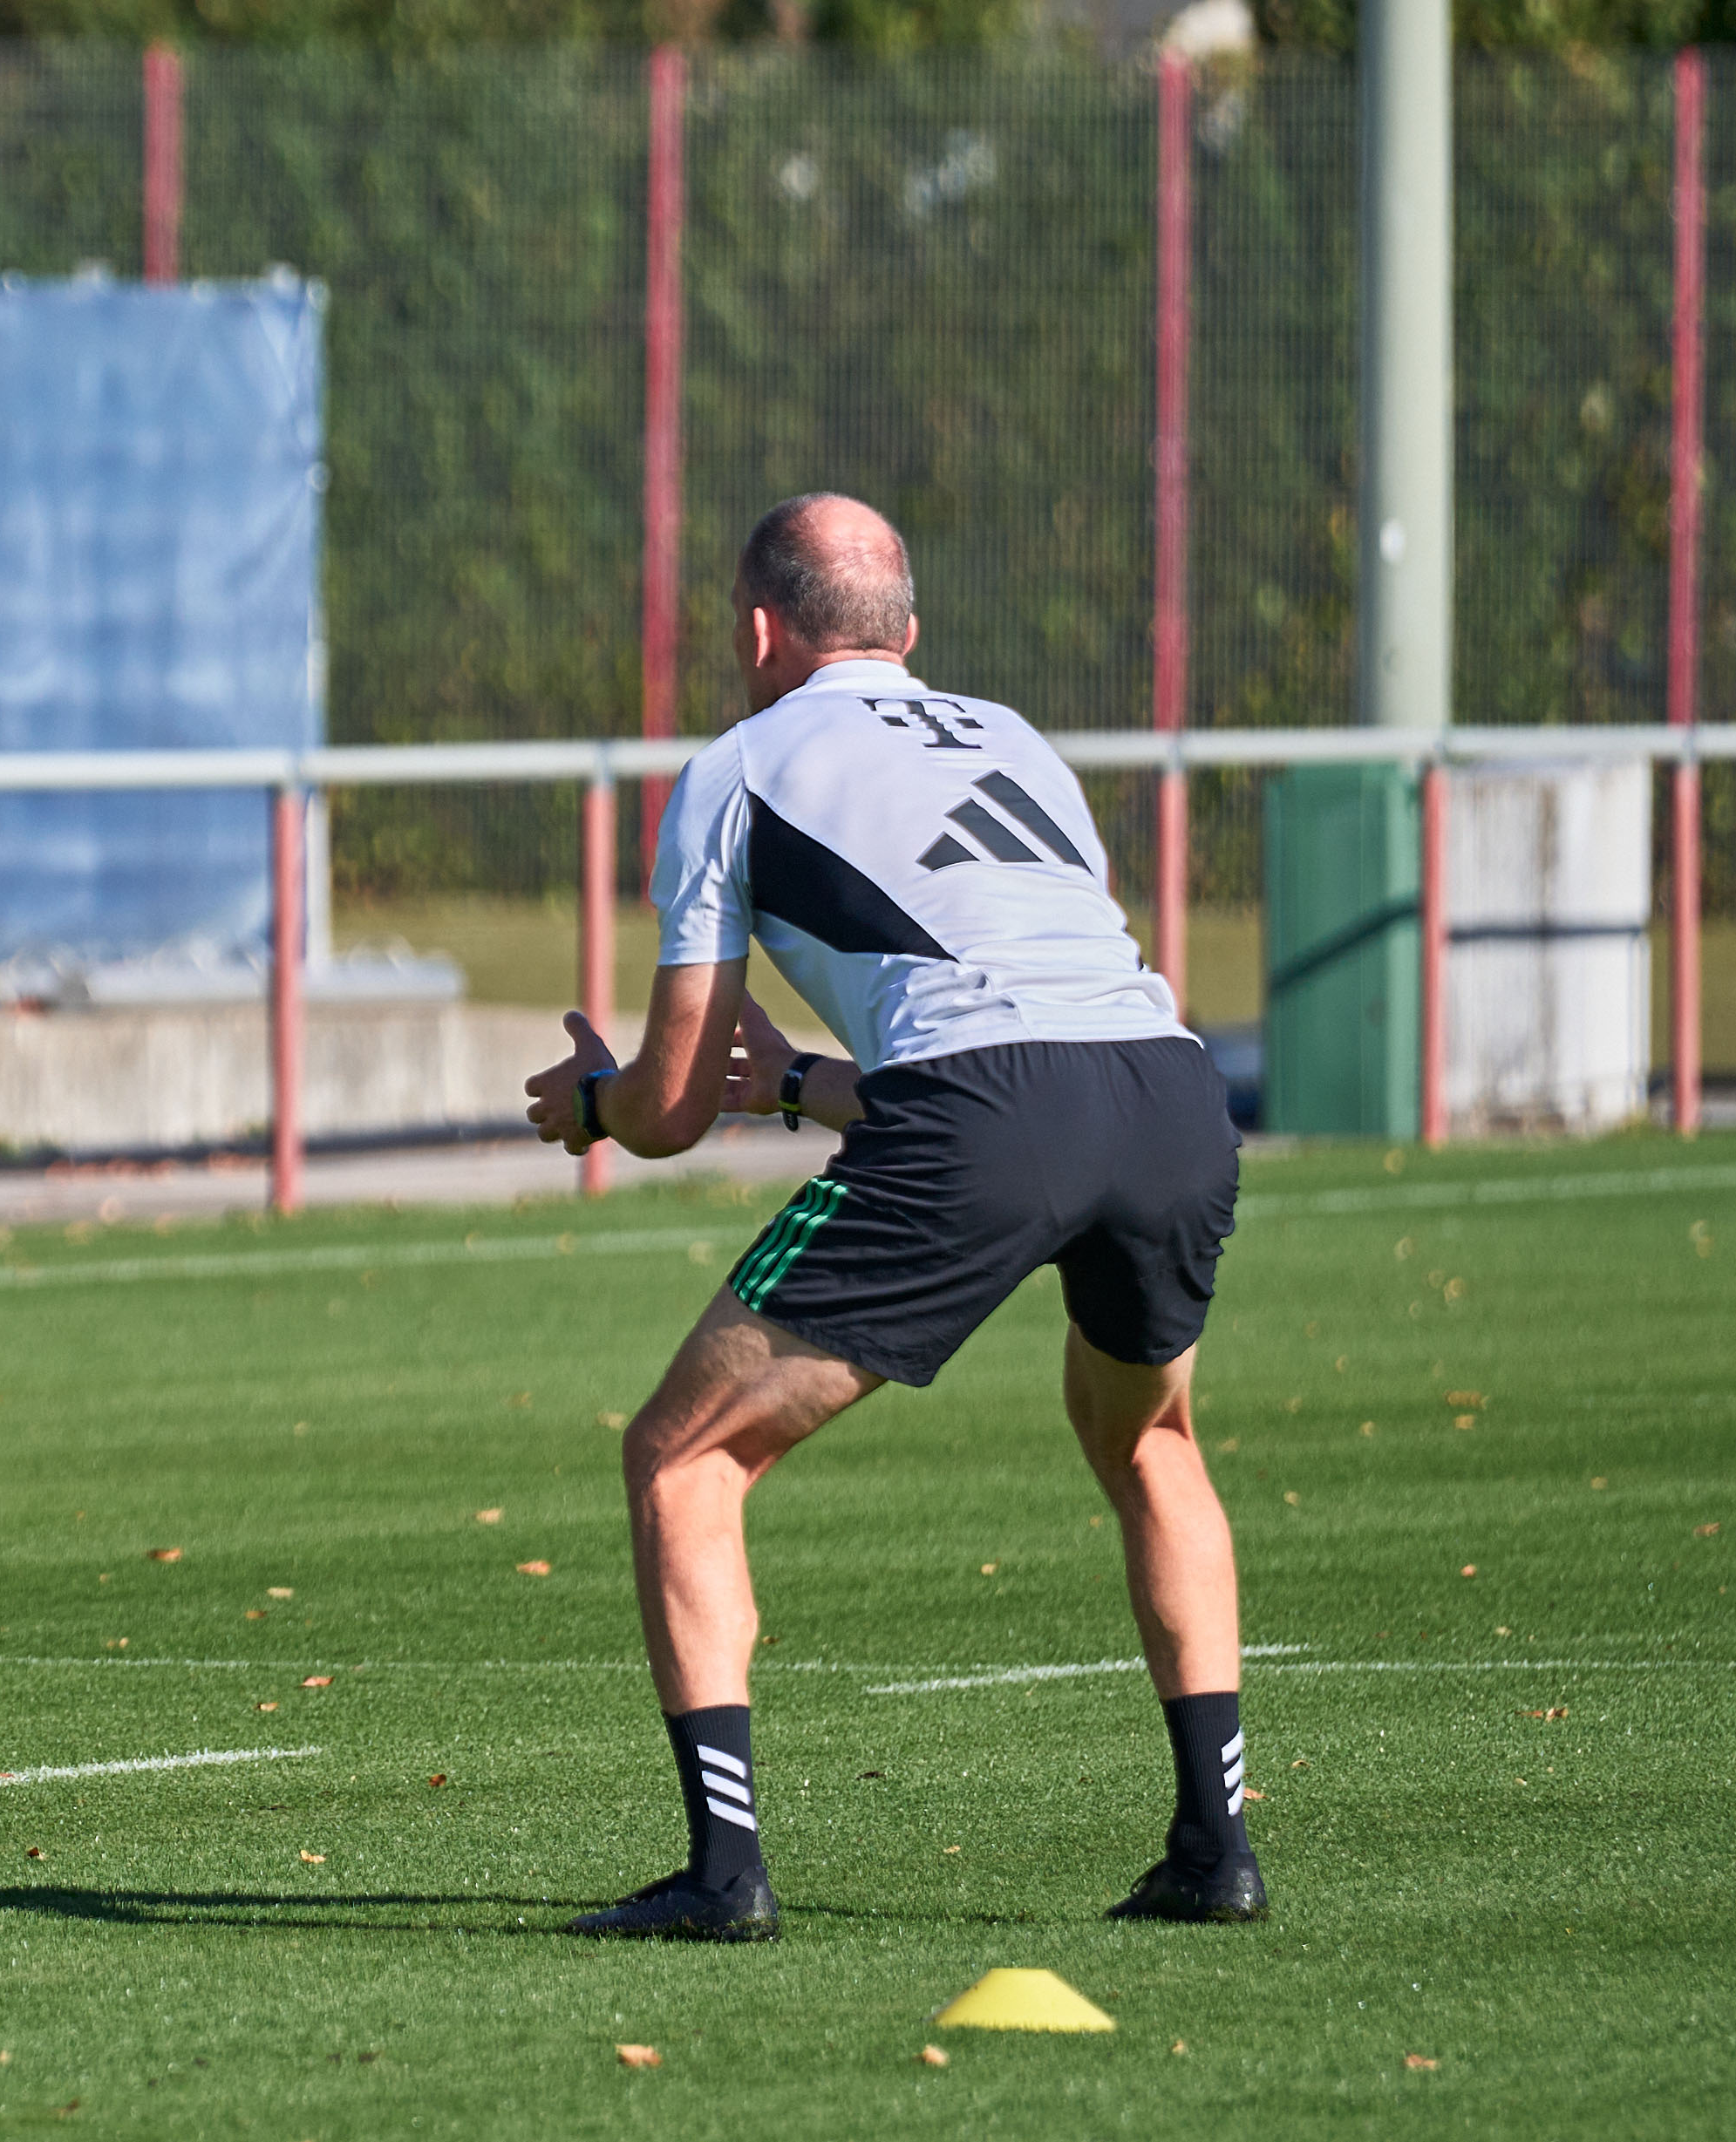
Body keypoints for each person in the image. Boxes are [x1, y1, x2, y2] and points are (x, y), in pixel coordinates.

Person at [524, 493, 1255, 1939]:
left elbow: (672, 1107)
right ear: (906, 635)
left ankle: (723, 1877)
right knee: (1150, 1436)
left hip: (995, 1115)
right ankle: (1212, 1845)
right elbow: (1039, 1030)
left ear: (753, 630)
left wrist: (597, 1105)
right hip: (1171, 1096)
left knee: (681, 1462)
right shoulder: (1016, 738)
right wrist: (797, 1083)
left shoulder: (735, 766)